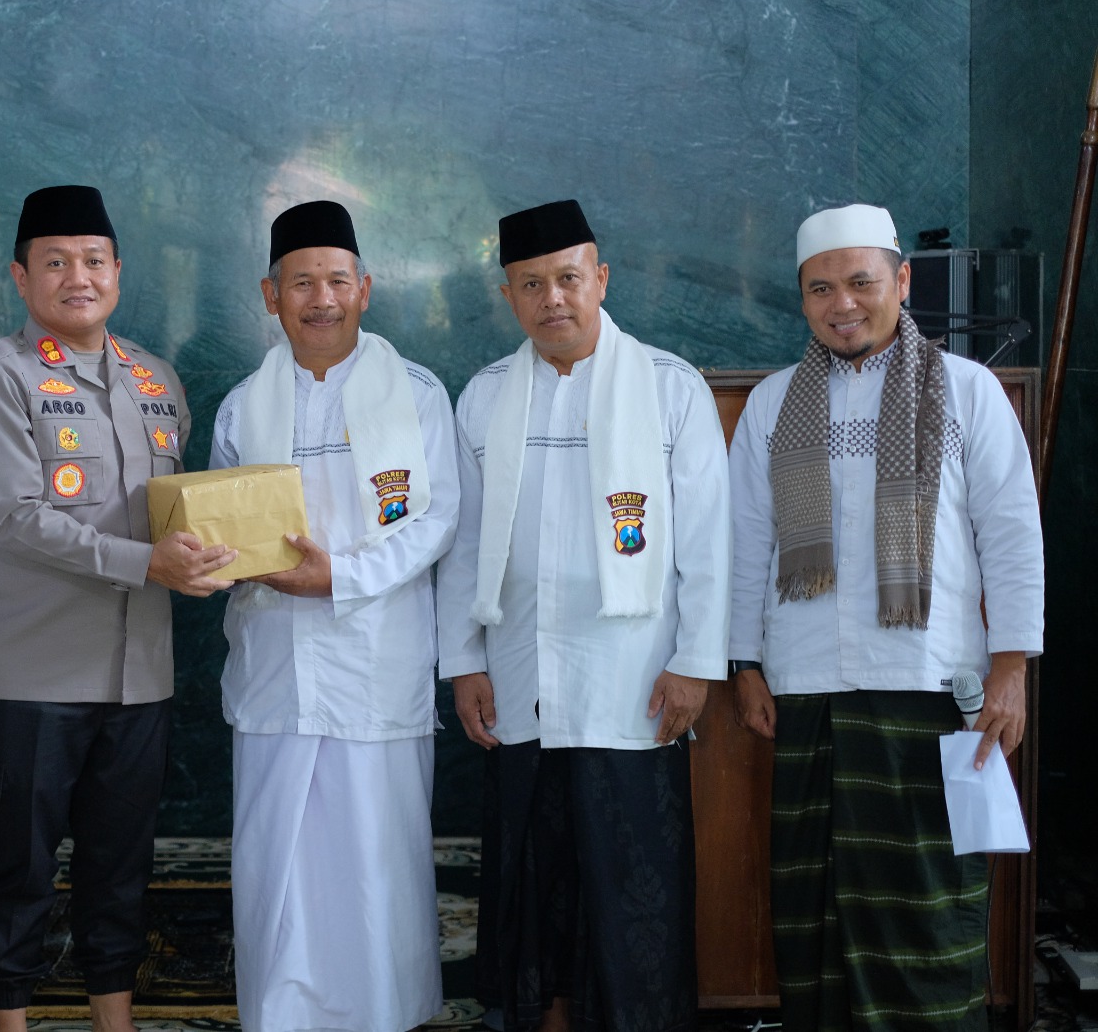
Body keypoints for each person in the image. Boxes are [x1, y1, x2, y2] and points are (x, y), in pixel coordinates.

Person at [728, 203, 1044, 1031]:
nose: (843, 304)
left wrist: (1013, 663)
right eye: (820, 288)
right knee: (818, 908)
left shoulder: (969, 391)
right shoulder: (771, 405)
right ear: (800, 300)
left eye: (862, 282)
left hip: (933, 688)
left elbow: (1012, 533)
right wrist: (744, 661)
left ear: (901, 282)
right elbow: (745, 542)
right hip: (808, 691)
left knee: (926, 910)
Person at [436, 199, 730, 1032]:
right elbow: (460, 547)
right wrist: (463, 660)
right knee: (539, 885)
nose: (552, 298)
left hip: (634, 685)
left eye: (568, 278)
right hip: (523, 682)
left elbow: (710, 541)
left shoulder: (670, 388)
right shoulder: (485, 397)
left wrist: (698, 661)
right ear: (509, 298)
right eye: (531, 284)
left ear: (601, 278)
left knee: (632, 885)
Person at [0, 185, 235, 1032]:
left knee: (121, 867)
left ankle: (116, 1020)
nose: (80, 277)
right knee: (20, 867)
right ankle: (10, 1021)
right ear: (20, 275)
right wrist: (148, 563)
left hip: (139, 673)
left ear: (118, 271)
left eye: (95, 261)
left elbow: (177, 508)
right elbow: (15, 519)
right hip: (33, 671)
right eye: (57, 262)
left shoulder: (157, 379)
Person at [211, 200, 457, 1032]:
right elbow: (218, 521)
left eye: (337, 280)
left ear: (366, 288)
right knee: (276, 863)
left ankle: (385, 1014)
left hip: (374, 662)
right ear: (270, 294)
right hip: (275, 667)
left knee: (374, 865)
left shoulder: (417, 395)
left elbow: (437, 520)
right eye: (301, 282)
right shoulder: (244, 406)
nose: (322, 298)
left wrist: (339, 578)